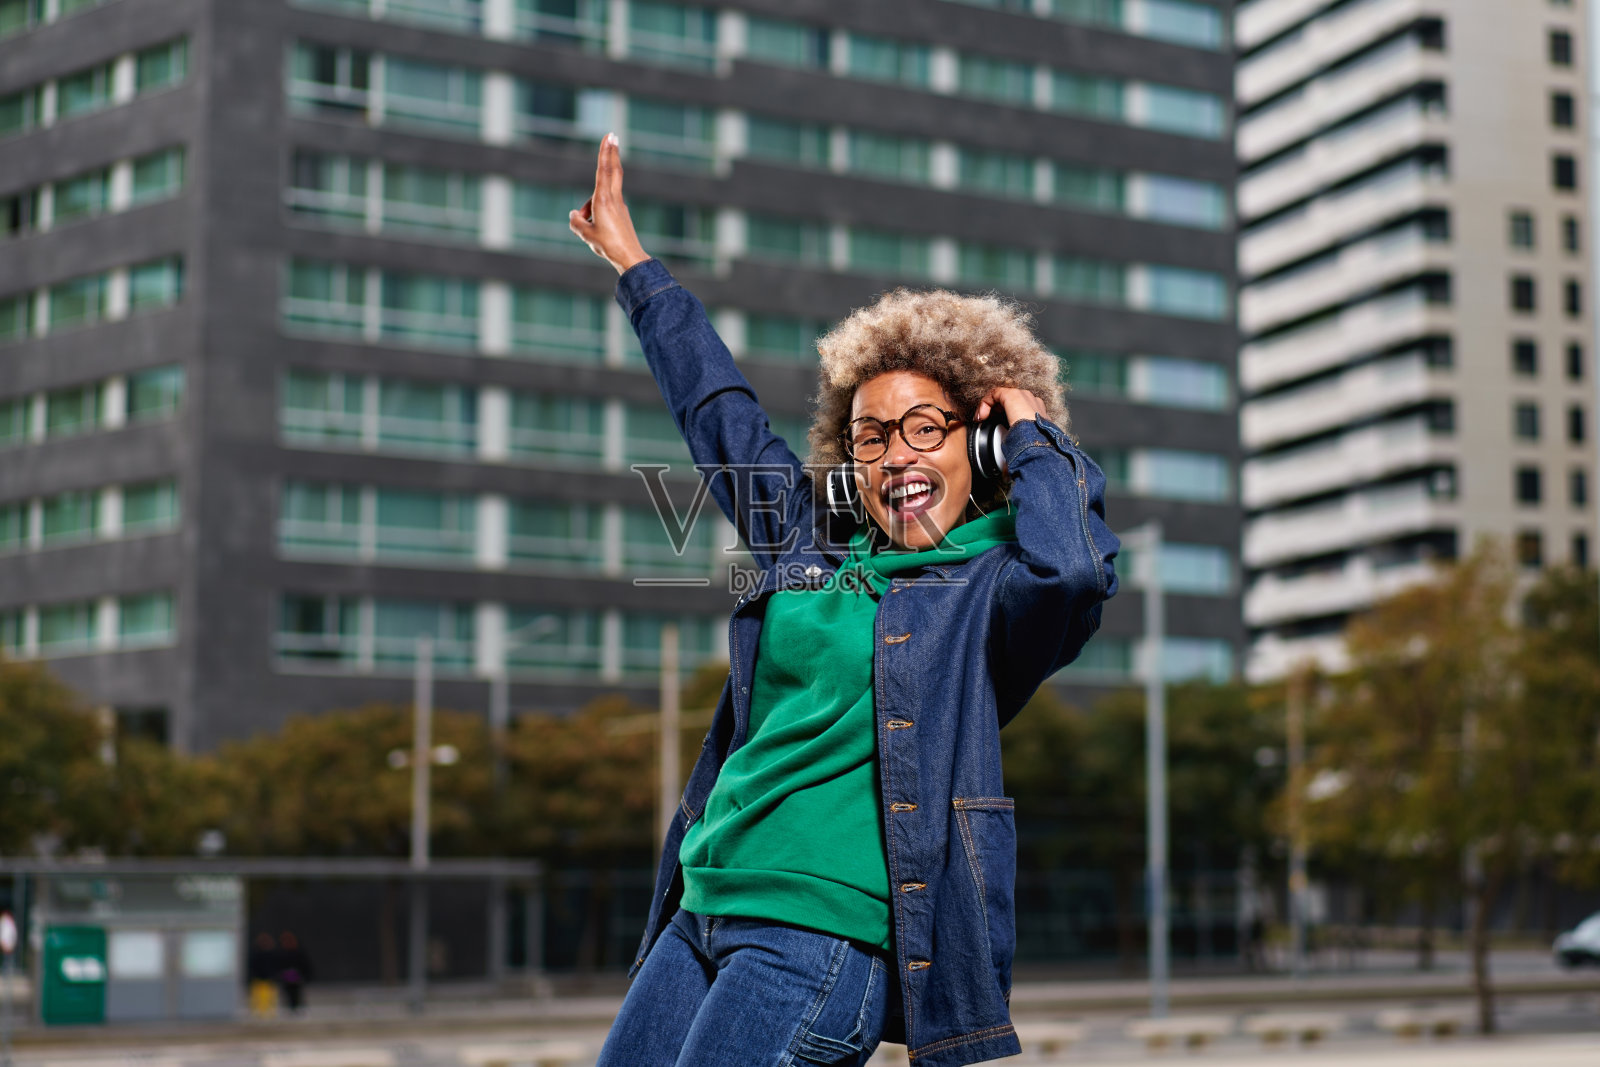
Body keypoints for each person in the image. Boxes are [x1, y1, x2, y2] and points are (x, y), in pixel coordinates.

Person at [572, 134, 1118, 1067]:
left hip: (818, 940)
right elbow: (721, 413)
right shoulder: (812, 542)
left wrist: (1029, 432)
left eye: (922, 427)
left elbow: (1072, 572)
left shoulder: (991, 589)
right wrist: (635, 266)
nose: (895, 454)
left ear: (974, 448)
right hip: (700, 909)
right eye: (870, 437)